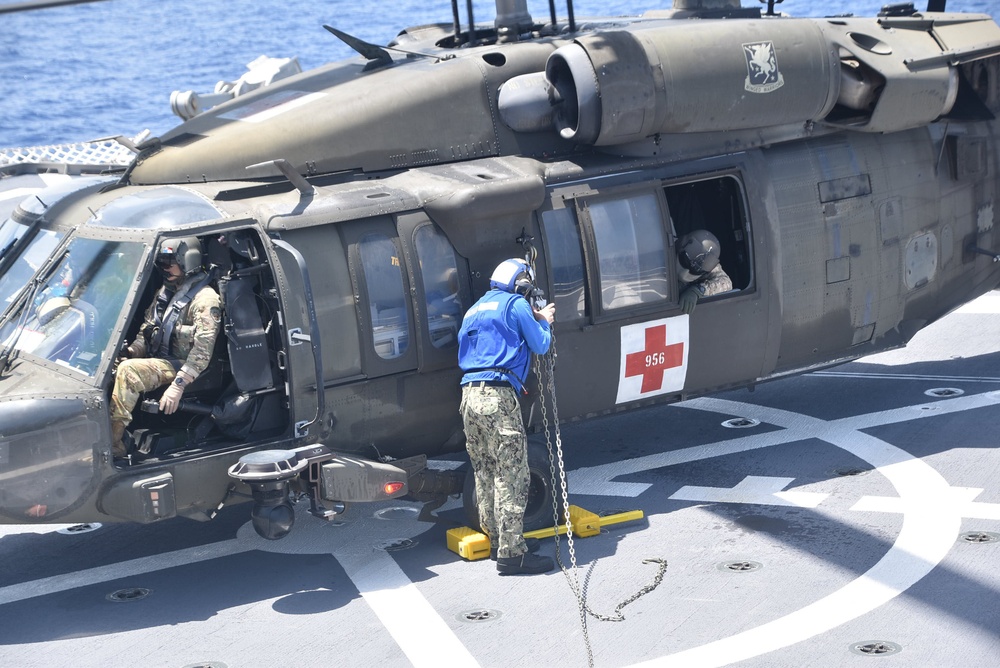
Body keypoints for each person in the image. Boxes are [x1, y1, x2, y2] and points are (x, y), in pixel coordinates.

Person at [458, 257, 555, 576]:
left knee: (485, 470)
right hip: (498, 396)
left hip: (469, 397)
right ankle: (513, 555)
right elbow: (540, 345)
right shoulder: (515, 305)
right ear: (521, 284)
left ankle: (499, 541)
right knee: (512, 474)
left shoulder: (475, 309)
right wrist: (544, 321)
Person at [110, 236, 222, 458]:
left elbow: (202, 351)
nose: (164, 268)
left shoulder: (205, 300)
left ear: (186, 262)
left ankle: (113, 445)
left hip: (184, 366)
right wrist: (132, 351)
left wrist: (178, 386)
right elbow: (148, 330)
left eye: (169, 263)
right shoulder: (166, 291)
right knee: (114, 364)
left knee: (128, 371)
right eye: (161, 263)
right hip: (162, 360)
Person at [676, 229, 733, 314]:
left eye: (696, 268)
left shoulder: (706, 262)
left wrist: (698, 290)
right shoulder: (666, 250)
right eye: (685, 260)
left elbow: (726, 283)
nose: (689, 269)